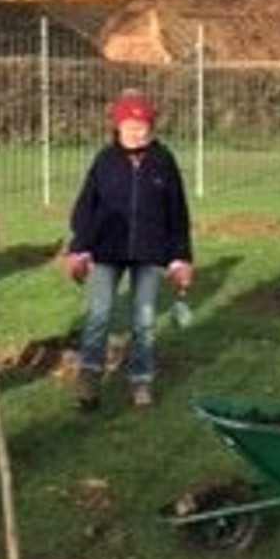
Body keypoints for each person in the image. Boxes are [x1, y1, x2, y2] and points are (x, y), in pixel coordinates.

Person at [63, 89, 193, 411]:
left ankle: (141, 380)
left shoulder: (164, 162)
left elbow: (178, 213)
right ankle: (89, 379)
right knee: (98, 314)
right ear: (117, 127)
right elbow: (86, 208)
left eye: (143, 126)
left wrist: (180, 259)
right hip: (107, 251)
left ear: (152, 128)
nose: (137, 132)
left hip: (150, 253)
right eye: (130, 126)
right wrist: (79, 250)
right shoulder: (105, 161)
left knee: (144, 318)